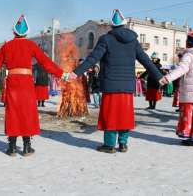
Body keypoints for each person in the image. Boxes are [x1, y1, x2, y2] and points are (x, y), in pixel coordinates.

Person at [69, 9, 163, 153]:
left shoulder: (106, 39)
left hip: (111, 84)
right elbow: (146, 61)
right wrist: (159, 76)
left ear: (111, 26)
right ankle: (123, 143)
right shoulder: (133, 41)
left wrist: (76, 72)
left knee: (110, 115)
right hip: (127, 86)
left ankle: (109, 145)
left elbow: (93, 58)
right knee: (125, 115)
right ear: (124, 25)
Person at [0, 14, 68, 157]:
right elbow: (46, 62)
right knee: (27, 113)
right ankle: (27, 147)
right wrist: (62, 74)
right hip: (26, 83)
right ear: (26, 32)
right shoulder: (31, 45)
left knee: (12, 112)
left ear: (14, 32)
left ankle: (12, 147)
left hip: (13, 82)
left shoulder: (7, 46)